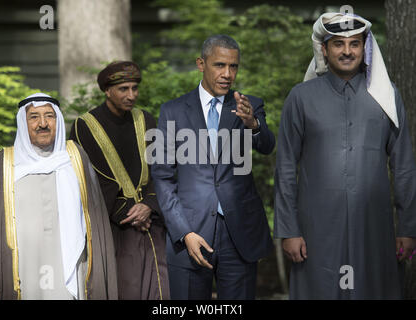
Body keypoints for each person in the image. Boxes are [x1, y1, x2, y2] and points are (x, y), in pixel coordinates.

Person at [274, 12, 416, 299]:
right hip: (316, 229)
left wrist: (408, 227)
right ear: (324, 49)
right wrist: (288, 230)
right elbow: (286, 166)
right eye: (338, 44)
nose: (347, 51)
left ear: (366, 49)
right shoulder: (300, 97)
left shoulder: (387, 97)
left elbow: (403, 166)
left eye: (354, 43)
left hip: (374, 228)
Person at [151, 34, 275, 300]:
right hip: (191, 233)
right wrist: (183, 232)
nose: (227, 74)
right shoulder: (171, 111)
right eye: (220, 65)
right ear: (201, 63)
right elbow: (162, 177)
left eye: (234, 67)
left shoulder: (248, 105)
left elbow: (267, 145)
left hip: (239, 234)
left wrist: (253, 124)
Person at [0, 93, 118, 300]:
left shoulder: (75, 157)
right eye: (34, 117)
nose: (42, 124)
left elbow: (95, 219)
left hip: (71, 266)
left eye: (49, 116)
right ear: (23, 122)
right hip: (21, 268)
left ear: (58, 121)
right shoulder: (4, 162)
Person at [69, 61, 169, 300]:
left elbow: (162, 168)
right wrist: (130, 213)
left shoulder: (146, 119)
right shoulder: (85, 126)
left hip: (152, 220)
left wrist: (149, 205)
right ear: (107, 90)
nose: (131, 95)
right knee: (126, 288)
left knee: (162, 288)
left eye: (135, 88)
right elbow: (88, 178)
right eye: (124, 89)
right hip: (114, 226)